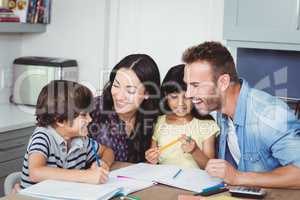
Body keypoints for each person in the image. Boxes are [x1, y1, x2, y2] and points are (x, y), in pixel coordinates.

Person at [182, 41, 300, 189]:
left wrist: (238, 177)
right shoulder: (222, 111)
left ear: (223, 82)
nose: (188, 94)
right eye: (187, 85)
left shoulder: (268, 114)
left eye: (195, 85)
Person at [20, 80, 114, 189]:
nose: (90, 119)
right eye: (84, 115)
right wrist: (86, 176)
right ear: (60, 120)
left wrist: (104, 163)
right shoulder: (43, 136)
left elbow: (107, 151)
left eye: (89, 114)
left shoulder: (82, 140)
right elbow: (36, 172)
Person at [89, 54, 161, 163]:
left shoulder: (155, 119)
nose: (119, 96)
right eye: (116, 85)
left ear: (147, 93)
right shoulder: (92, 110)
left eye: (130, 91)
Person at [145, 64, 219, 169]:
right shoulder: (159, 122)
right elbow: (152, 162)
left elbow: (211, 168)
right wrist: (151, 160)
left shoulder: (207, 125)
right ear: (166, 95)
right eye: (174, 97)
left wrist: (195, 151)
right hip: (164, 183)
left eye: (187, 97)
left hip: (195, 184)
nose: (181, 103)